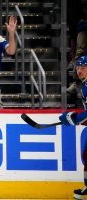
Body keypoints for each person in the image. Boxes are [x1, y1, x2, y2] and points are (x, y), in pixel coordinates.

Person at [59, 55, 87, 200]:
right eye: (78, 67)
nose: (79, 71)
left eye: (83, 68)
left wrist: (74, 118)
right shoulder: (84, 85)